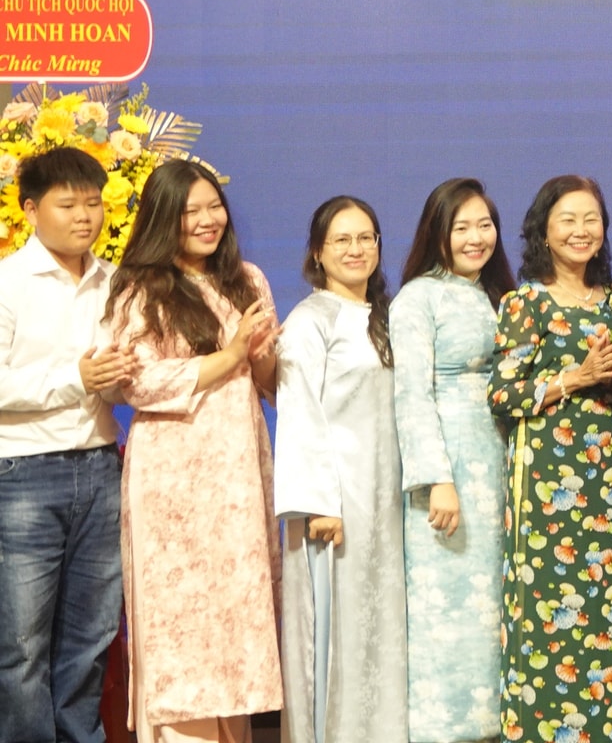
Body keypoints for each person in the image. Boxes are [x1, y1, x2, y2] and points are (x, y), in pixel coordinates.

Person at [108, 159, 281, 743]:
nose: (209, 220)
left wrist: (261, 357)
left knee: (235, 615)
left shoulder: (247, 279)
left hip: (239, 471)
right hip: (173, 477)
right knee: (181, 618)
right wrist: (229, 356)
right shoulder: (140, 287)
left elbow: (269, 382)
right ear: (164, 218)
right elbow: (137, 382)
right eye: (191, 212)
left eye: (214, 207)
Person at [491, 175, 612, 743]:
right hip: (545, 485)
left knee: (604, 611)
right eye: (567, 220)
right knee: (542, 615)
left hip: (607, 480)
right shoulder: (526, 302)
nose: (581, 230)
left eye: (591, 219)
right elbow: (502, 393)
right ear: (543, 232)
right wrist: (575, 377)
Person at [0, 149, 130, 743]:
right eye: (68, 204)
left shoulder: (115, 282)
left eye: (94, 203)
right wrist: (74, 379)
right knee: (21, 646)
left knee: (91, 637)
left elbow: (120, 378)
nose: (85, 216)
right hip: (23, 473)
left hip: (102, 467)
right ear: (30, 210)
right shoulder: (8, 282)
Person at [273, 195, 408, 743]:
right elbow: (299, 412)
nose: (356, 250)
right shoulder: (310, 322)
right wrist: (318, 505)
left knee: (382, 631)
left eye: (365, 238)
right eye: (342, 240)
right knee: (335, 637)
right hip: (335, 505)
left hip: (386, 500)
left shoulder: (388, 317)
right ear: (317, 252)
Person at [390, 177, 514, 743]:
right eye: (461, 227)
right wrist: (437, 479)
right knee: (450, 610)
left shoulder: (499, 295)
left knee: (497, 606)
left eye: (484, 225)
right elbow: (411, 393)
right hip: (452, 469)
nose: (475, 238)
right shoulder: (418, 298)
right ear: (436, 233)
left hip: (501, 465)